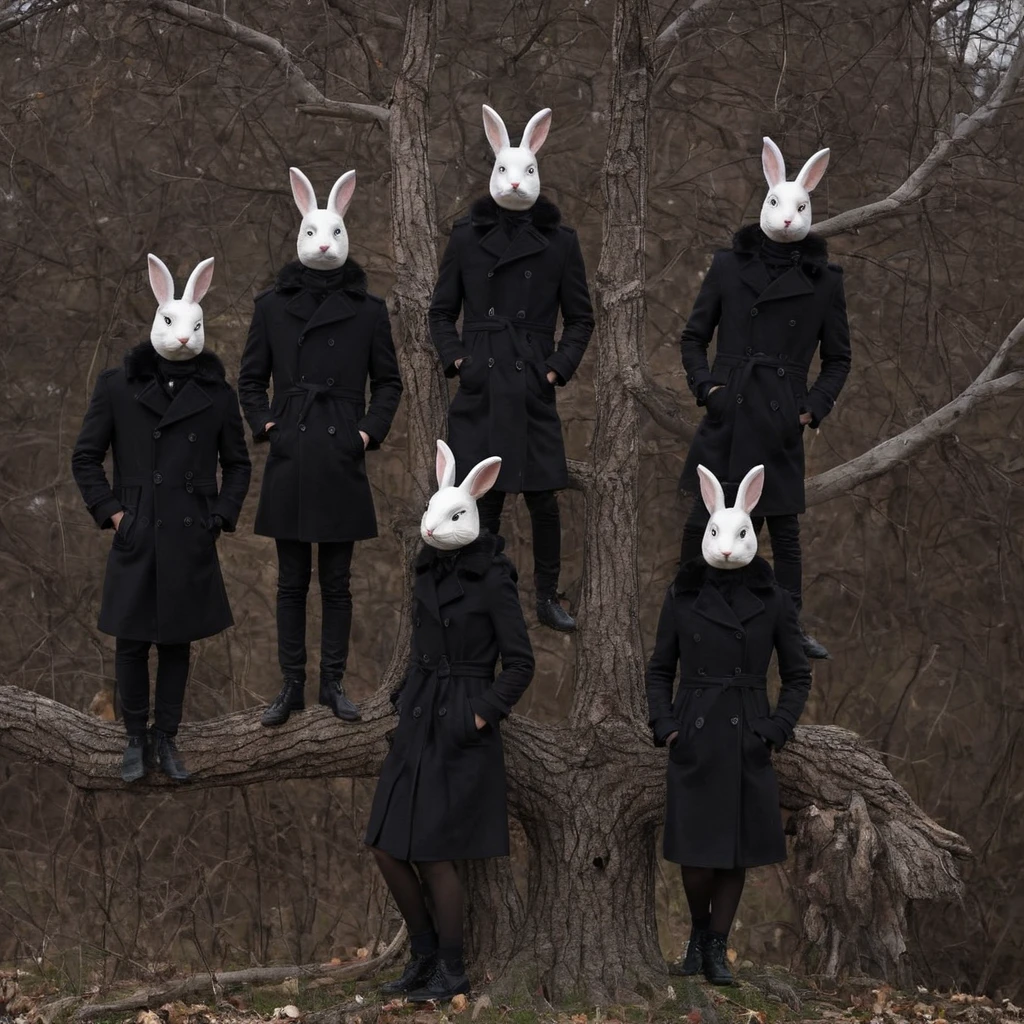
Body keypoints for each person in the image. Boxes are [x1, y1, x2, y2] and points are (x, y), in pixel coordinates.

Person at [365, 440, 534, 1002]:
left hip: (462, 719)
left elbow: (520, 662)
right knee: (388, 845)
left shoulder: (493, 577)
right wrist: (401, 700)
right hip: (417, 717)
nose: (434, 528)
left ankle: (452, 970)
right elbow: (419, 646)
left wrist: (480, 715)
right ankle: (423, 955)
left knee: (435, 850)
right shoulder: (426, 573)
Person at [71, 254, 251, 783]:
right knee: (131, 640)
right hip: (137, 529)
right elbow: (85, 457)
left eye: (192, 326)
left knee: (177, 642)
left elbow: (238, 465)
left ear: (201, 327)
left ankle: (166, 737)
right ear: (158, 320)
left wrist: (218, 517)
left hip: (189, 532)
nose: (180, 337)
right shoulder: (116, 387)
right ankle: (133, 737)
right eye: (173, 324)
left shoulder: (217, 395)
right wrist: (113, 514)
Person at [238, 167, 402, 727]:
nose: (324, 241)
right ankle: (290, 687)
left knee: (336, 582)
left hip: (339, 452)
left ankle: (333, 685)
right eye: (314, 231)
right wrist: (267, 427)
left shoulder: (370, 311)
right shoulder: (270, 307)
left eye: (331, 231)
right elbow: (249, 381)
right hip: (292, 448)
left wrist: (365, 432)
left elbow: (389, 384)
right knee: (289, 582)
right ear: (302, 230)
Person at [677, 137, 851, 659]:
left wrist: (811, 407)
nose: (789, 217)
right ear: (765, 199)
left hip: (780, 415)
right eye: (780, 203)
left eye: (801, 207)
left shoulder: (825, 283)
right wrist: (708, 388)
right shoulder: (728, 266)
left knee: (783, 528)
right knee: (700, 521)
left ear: (810, 210)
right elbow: (693, 337)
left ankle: (790, 629)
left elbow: (839, 359)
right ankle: (685, 609)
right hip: (730, 406)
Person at [429, 103, 593, 633]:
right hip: (482, 381)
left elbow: (581, 319)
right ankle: (484, 595)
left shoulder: (562, 243)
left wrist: (555, 369)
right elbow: (439, 312)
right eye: (507, 169)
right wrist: (459, 361)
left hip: (530, 379)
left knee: (544, 497)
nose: (517, 182)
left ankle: (547, 597)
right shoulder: (464, 237)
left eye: (527, 171)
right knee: (486, 496)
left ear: (537, 174)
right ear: (493, 167)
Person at [646, 464, 811, 985]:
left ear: (751, 536)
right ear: (706, 530)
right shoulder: (681, 595)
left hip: (747, 734)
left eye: (738, 534)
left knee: (735, 851)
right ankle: (699, 933)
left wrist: (774, 729)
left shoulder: (773, 600)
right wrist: (667, 725)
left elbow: (798, 675)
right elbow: (658, 669)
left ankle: (716, 947)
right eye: (716, 533)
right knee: (695, 855)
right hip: (694, 731)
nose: (724, 546)